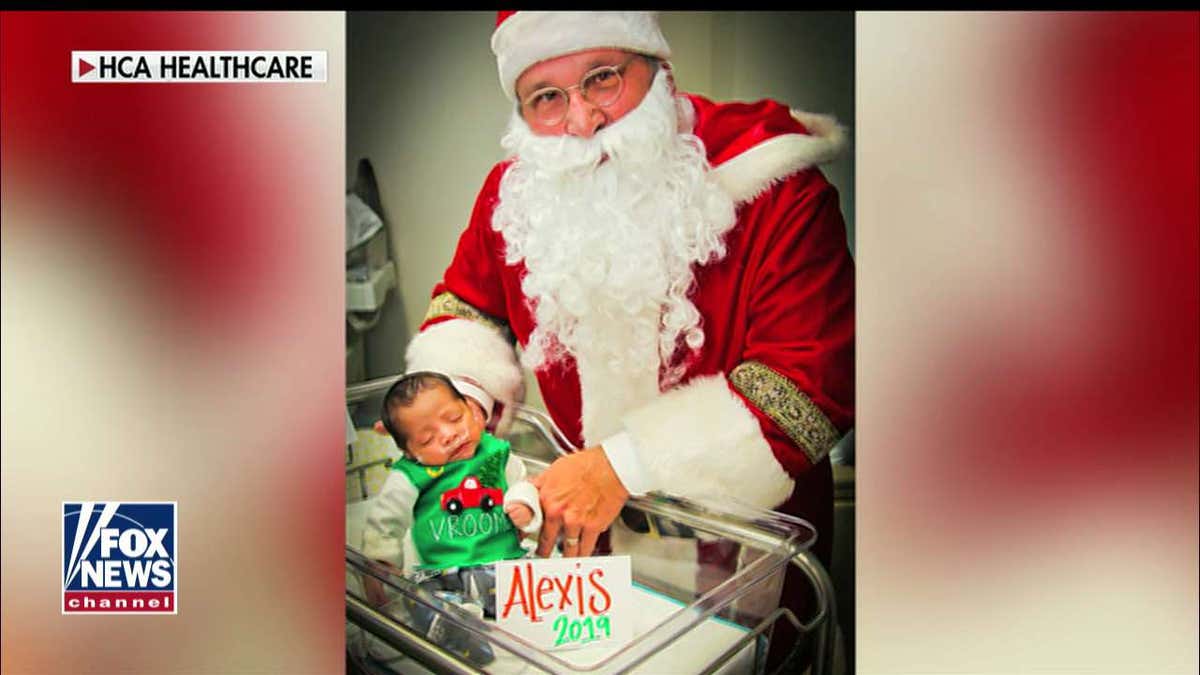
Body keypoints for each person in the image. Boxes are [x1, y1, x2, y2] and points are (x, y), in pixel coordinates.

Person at [402, 11, 854, 669]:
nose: (582, 120)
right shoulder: (516, 193)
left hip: (745, 554)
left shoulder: (779, 188)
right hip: (587, 553)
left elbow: (810, 391)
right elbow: (466, 308)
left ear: (657, 68)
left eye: (602, 78)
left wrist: (622, 465)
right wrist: (459, 407)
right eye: (546, 97)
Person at [360, 371, 543, 664]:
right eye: (427, 439)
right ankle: (457, 629)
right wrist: (380, 563)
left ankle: (530, 618)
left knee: (535, 579)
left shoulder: (495, 453)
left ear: (472, 411)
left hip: (502, 564)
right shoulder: (411, 475)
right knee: (417, 597)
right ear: (410, 452)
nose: (448, 435)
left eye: (455, 418)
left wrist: (525, 503)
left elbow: (522, 481)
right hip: (442, 573)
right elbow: (386, 521)